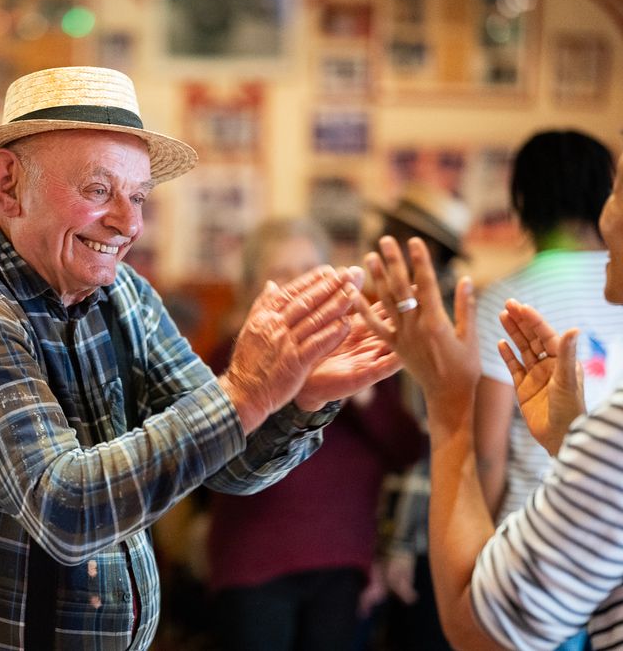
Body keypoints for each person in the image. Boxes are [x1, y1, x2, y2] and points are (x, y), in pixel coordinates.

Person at [0, 66, 401, 650]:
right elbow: (64, 510)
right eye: (97, 190)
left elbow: (232, 468)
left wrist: (299, 399)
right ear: (8, 184)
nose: (129, 222)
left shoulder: (125, 296)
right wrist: (246, 392)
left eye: (138, 196)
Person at [352, 146, 623, 650]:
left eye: (619, 192)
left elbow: (477, 631)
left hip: (524, 568)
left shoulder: (479, 312)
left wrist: (449, 407)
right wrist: (570, 439)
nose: (604, 220)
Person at [205, 218, 425, 651]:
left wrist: (360, 395)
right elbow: (209, 460)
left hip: (343, 563)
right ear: (255, 287)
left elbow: (406, 449)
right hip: (253, 565)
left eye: (310, 268)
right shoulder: (233, 358)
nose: (301, 283)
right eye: (283, 273)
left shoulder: (358, 352)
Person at [475, 130, 620, 523]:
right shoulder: (612, 284)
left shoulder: (507, 300)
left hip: (532, 526)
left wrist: (480, 549)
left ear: (523, 201)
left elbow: (489, 454)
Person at [369, 183, 470, 651]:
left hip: (422, 534)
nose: (376, 242)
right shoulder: (451, 309)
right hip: (453, 522)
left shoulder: (427, 319)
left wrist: (399, 546)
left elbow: (424, 437)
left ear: (420, 249)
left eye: (389, 234)